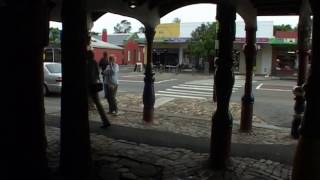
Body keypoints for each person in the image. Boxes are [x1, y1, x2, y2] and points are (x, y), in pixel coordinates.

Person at [87, 50, 111, 128]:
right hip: (94, 84)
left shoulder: (87, 63)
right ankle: (105, 121)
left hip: (88, 85)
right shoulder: (94, 62)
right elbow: (97, 73)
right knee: (98, 103)